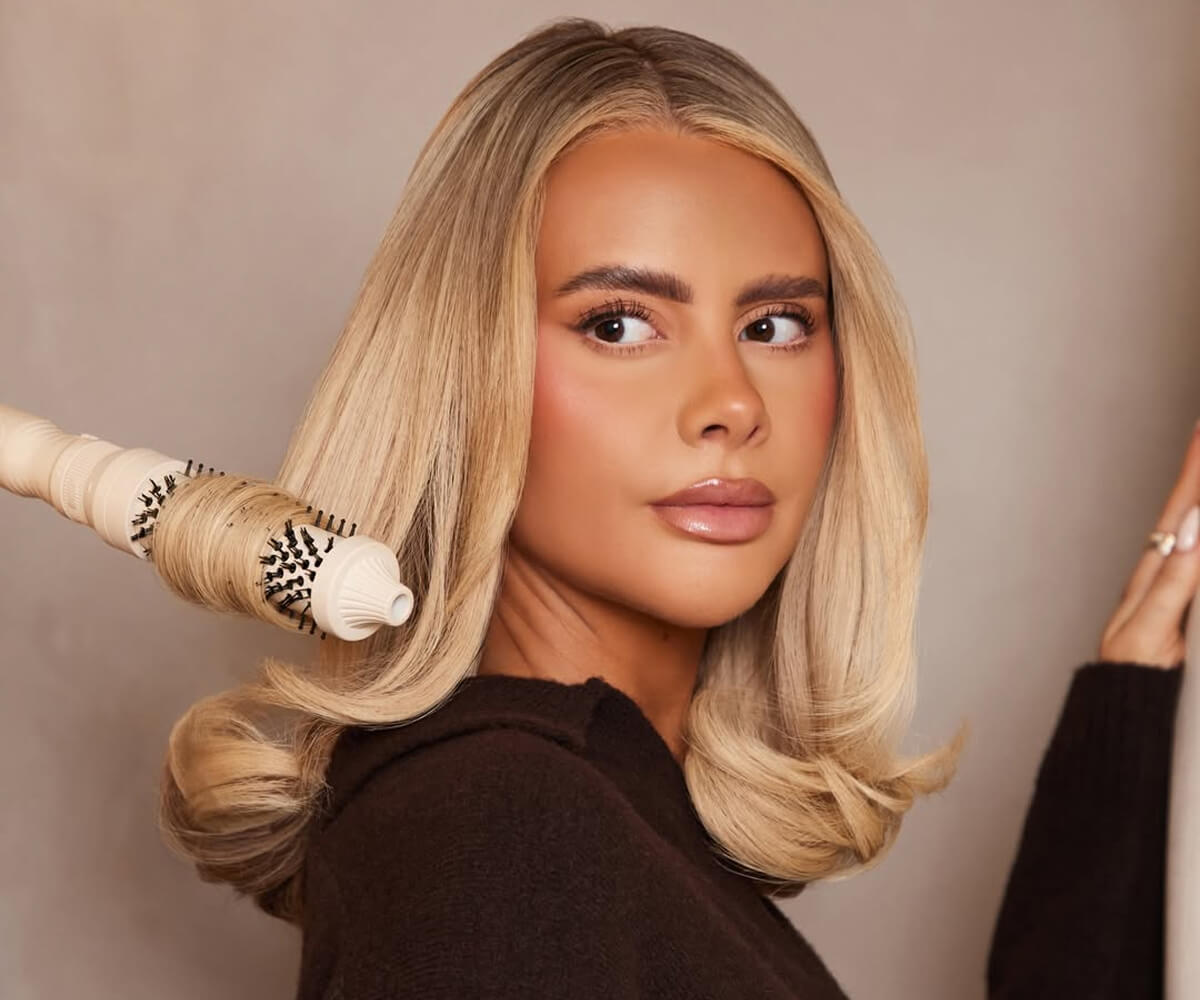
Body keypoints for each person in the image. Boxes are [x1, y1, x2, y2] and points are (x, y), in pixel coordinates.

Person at [149, 18, 1200, 998]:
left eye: (780, 323)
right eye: (618, 324)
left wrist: (1132, 715)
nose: (732, 403)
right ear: (462, 380)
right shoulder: (502, 833)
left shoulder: (603, 814)